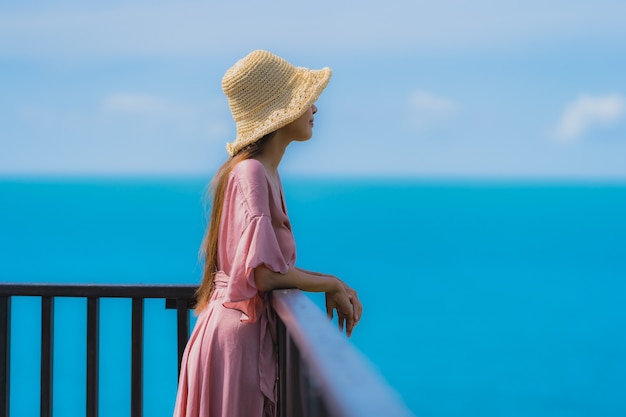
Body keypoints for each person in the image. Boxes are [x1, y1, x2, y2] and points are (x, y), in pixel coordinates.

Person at [173, 50, 363, 417]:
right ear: (282, 111)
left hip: (237, 336)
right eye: (306, 99)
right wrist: (331, 284)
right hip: (236, 342)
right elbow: (261, 274)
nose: (315, 108)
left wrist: (332, 282)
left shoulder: (261, 172)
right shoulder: (253, 173)